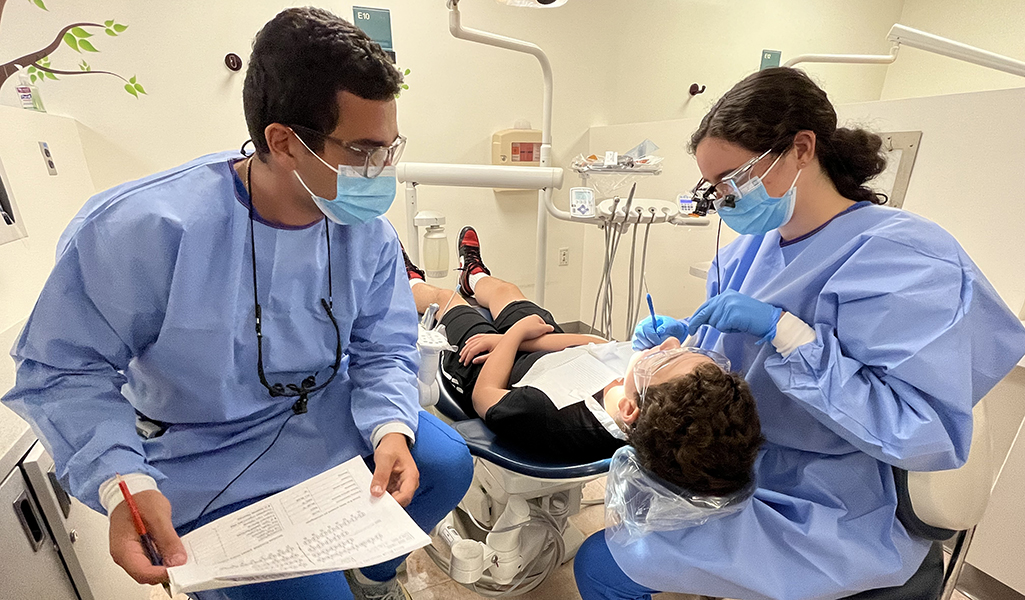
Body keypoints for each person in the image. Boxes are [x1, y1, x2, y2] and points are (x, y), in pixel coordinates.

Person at [2, 8, 473, 600]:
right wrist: (122, 482)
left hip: (326, 420)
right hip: (208, 451)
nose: (382, 171)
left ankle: (374, 576)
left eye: (390, 148)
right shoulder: (145, 229)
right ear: (283, 142)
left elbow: (383, 347)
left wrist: (388, 430)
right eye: (362, 151)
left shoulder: (366, 232)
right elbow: (63, 369)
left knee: (448, 463)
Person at [574, 67, 1025, 600]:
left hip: (832, 505)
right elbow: (732, 374)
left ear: (802, 148)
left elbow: (924, 433)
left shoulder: (906, 258)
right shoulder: (748, 249)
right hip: (744, 475)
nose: (722, 199)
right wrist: (689, 342)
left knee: (611, 563)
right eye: (712, 186)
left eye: (732, 180)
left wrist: (789, 336)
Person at [406, 226, 763, 497]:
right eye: (685, 349)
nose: (669, 342)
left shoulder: (549, 416)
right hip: (545, 347)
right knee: (507, 293)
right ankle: (474, 275)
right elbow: (594, 343)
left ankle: (409, 282)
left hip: (487, 367)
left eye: (665, 360)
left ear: (628, 409)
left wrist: (512, 338)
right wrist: (521, 335)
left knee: (449, 302)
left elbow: (486, 396)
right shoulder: (640, 390)